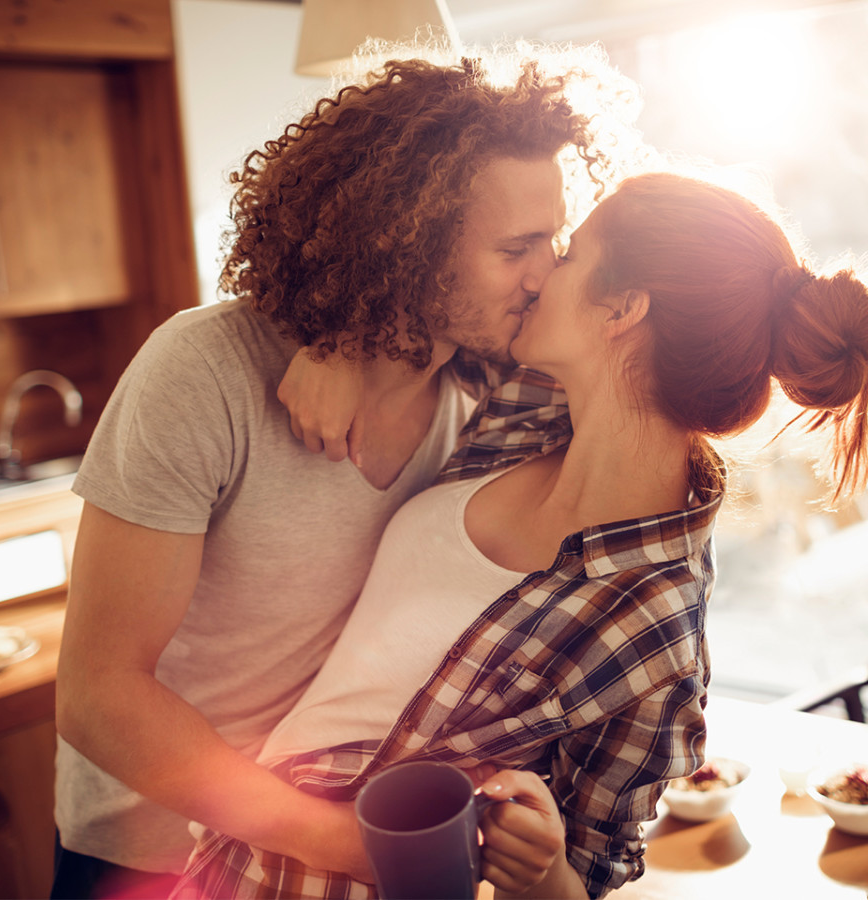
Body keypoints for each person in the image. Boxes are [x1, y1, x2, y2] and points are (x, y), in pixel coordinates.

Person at [174, 170, 868, 899]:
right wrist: (339, 345)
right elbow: (420, 303)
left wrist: (538, 871)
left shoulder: (652, 628)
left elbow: (591, 879)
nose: (540, 274)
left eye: (568, 254)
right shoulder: (533, 403)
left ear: (622, 310)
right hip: (226, 861)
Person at [51, 45, 639, 899]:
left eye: (551, 238)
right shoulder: (205, 371)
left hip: (315, 855)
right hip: (151, 855)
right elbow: (99, 696)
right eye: (516, 247)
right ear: (401, 245)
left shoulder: (492, 388)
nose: (542, 274)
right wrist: (342, 839)